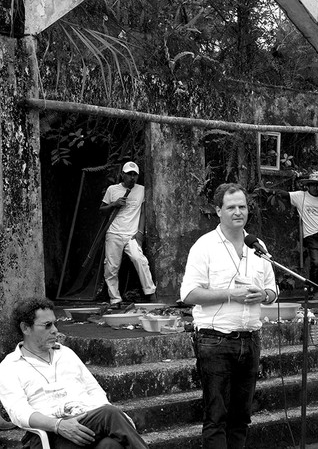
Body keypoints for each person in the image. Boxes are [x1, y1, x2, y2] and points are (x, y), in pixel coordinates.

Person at [180, 183, 278, 449]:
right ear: (217, 210)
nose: (238, 212)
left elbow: (273, 289)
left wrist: (265, 296)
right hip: (216, 340)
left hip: (251, 338)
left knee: (241, 417)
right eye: (231, 207)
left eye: (242, 206)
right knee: (216, 416)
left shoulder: (257, 246)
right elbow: (189, 294)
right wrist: (230, 295)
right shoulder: (205, 246)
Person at [0, 297, 148, 449]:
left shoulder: (66, 353)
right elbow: (19, 413)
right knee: (110, 414)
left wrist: (107, 420)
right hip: (49, 435)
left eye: (55, 324)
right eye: (47, 325)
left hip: (87, 424)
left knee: (109, 444)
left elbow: (93, 390)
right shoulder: (10, 366)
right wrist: (58, 425)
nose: (55, 330)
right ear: (25, 328)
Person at [100, 161, 156, 306]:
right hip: (114, 233)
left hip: (131, 234)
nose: (132, 177)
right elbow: (101, 210)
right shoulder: (112, 190)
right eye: (129, 174)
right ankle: (115, 299)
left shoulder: (142, 190)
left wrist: (140, 233)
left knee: (140, 260)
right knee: (111, 267)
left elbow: (143, 212)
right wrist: (114, 204)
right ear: (122, 175)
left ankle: (150, 293)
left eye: (135, 175)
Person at [275, 171, 318, 293]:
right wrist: (269, 190)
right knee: (316, 262)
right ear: (308, 185)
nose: (316, 187)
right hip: (311, 234)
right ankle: (313, 289)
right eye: (313, 185)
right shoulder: (300, 196)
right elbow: (283, 194)